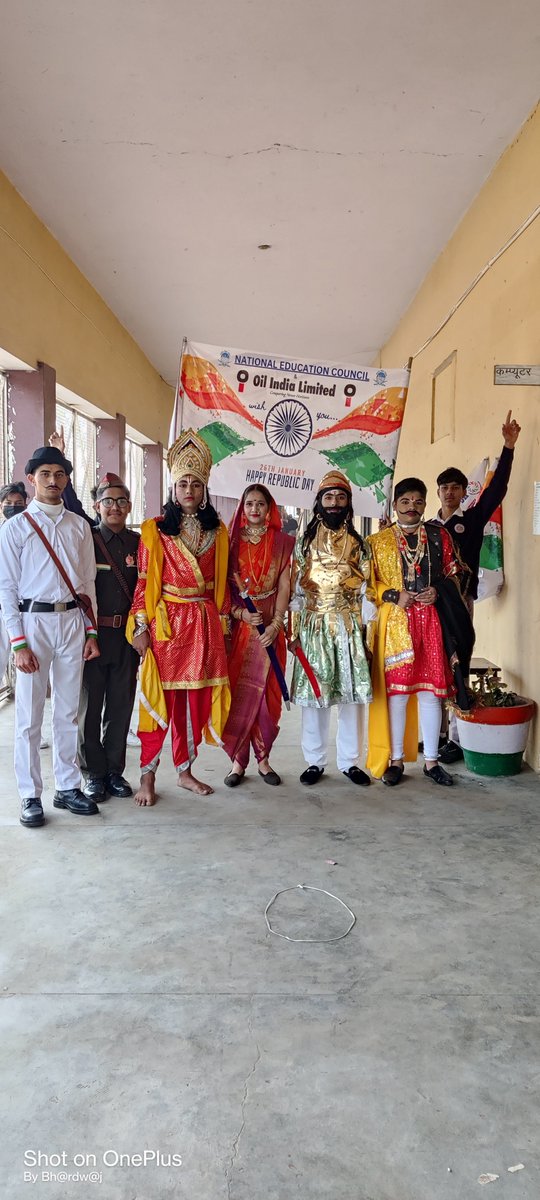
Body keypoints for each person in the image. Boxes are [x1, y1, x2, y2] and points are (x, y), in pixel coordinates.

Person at [128, 428, 230, 805]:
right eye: (183, 483)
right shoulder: (154, 530)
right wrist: (140, 627)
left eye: (196, 484)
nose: (189, 490)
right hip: (166, 625)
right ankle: (147, 776)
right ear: (173, 488)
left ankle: (185, 772)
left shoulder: (218, 532)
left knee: (193, 703)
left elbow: (221, 586)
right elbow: (143, 583)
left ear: (205, 490)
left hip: (203, 624)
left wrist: (226, 623)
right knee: (158, 703)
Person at [0, 447, 101, 827]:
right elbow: (6, 589)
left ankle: (68, 786)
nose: (53, 481)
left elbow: (87, 583)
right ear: (32, 479)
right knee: (28, 715)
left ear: (67, 479)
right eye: (45, 474)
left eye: (59, 474)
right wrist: (18, 642)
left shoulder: (78, 527)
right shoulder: (16, 529)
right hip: (33, 623)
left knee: (68, 710)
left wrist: (91, 632)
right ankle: (29, 795)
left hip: (72, 623)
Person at [367, 477, 474, 788]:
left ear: (425, 504)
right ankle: (397, 760)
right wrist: (392, 595)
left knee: (430, 695)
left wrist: (439, 591)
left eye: (417, 502)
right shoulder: (379, 542)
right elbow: (367, 584)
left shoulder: (440, 536)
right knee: (398, 695)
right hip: (396, 624)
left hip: (432, 622)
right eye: (405, 502)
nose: (411, 507)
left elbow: (459, 573)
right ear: (395, 505)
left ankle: (431, 762)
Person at [431, 408, 521, 762]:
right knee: (434, 666)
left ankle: (457, 736)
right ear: (437, 492)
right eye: (445, 487)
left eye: (456, 487)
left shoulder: (472, 519)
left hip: (461, 602)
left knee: (459, 663)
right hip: (429, 605)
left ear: (463, 491)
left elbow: (497, 490)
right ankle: (434, 734)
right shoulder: (427, 528)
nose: (450, 492)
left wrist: (508, 448)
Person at [289, 470, 375, 786]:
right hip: (313, 625)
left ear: (348, 503)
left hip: (350, 625)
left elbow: (369, 592)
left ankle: (350, 762)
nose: (334, 503)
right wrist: (294, 633)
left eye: (340, 497)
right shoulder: (305, 543)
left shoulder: (359, 544)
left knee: (351, 698)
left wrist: (367, 633)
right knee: (316, 694)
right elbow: (296, 591)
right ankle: (314, 762)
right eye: (329, 497)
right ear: (320, 503)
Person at [222, 485, 294, 787]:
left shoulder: (282, 542)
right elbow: (223, 587)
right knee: (240, 692)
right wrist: (239, 615)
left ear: (269, 509)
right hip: (241, 630)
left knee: (268, 695)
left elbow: (284, 584)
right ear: (243, 508)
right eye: (249, 504)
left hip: (270, 630)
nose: (254, 509)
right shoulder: (230, 542)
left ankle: (264, 760)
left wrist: (277, 623)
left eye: (260, 504)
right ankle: (238, 762)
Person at [78, 477, 140, 800]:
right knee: (90, 707)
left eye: (121, 502)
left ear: (129, 507)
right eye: (108, 501)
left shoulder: (139, 544)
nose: (114, 507)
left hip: (126, 637)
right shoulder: (86, 539)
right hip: (92, 638)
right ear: (96, 506)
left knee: (120, 705)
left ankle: (115, 771)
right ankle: (93, 773)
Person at [0, 483, 28, 685]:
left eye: (18, 503)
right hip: (3, 607)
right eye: (8, 503)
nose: (13, 507)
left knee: (28, 666)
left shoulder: (31, 533)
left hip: (26, 609)